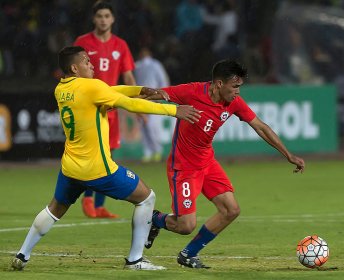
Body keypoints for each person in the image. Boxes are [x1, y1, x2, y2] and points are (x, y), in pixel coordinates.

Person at [10, 46, 201, 271]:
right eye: (86, 61)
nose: (91, 64)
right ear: (74, 67)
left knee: (54, 209)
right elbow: (127, 104)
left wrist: (138, 88)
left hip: (71, 166)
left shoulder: (61, 88)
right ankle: (135, 260)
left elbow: (110, 90)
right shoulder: (91, 87)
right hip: (98, 169)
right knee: (147, 197)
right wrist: (173, 111)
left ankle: (22, 254)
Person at [144, 59, 305, 268]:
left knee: (231, 210)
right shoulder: (192, 92)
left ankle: (188, 254)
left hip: (207, 163)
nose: (238, 92)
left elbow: (261, 127)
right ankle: (155, 219)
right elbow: (155, 94)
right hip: (183, 168)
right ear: (219, 84)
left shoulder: (234, 102)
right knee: (185, 226)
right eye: (235, 86)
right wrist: (113, 99)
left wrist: (288, 154)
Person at [74, 0, 136, 218]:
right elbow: (73, 73)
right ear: (94, 19)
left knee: (108, 156)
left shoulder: (120, 45)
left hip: (111, 109)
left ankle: (99, 206)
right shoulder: (82, 43)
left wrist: (137, 102)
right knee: (93, 155)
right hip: (90, 108)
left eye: (106, 16)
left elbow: (128, 76)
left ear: (113, 19)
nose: (103, 20)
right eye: (99, 16)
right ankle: (88, 199)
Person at [134, 47, 170, 163]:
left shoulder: (142, 65)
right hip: (149, 97)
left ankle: (154, 151)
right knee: (149, 126)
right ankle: (151, 152)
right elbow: (163, 80)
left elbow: (162, 81)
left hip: (146, 98)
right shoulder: (151, 65)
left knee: (149, 126)